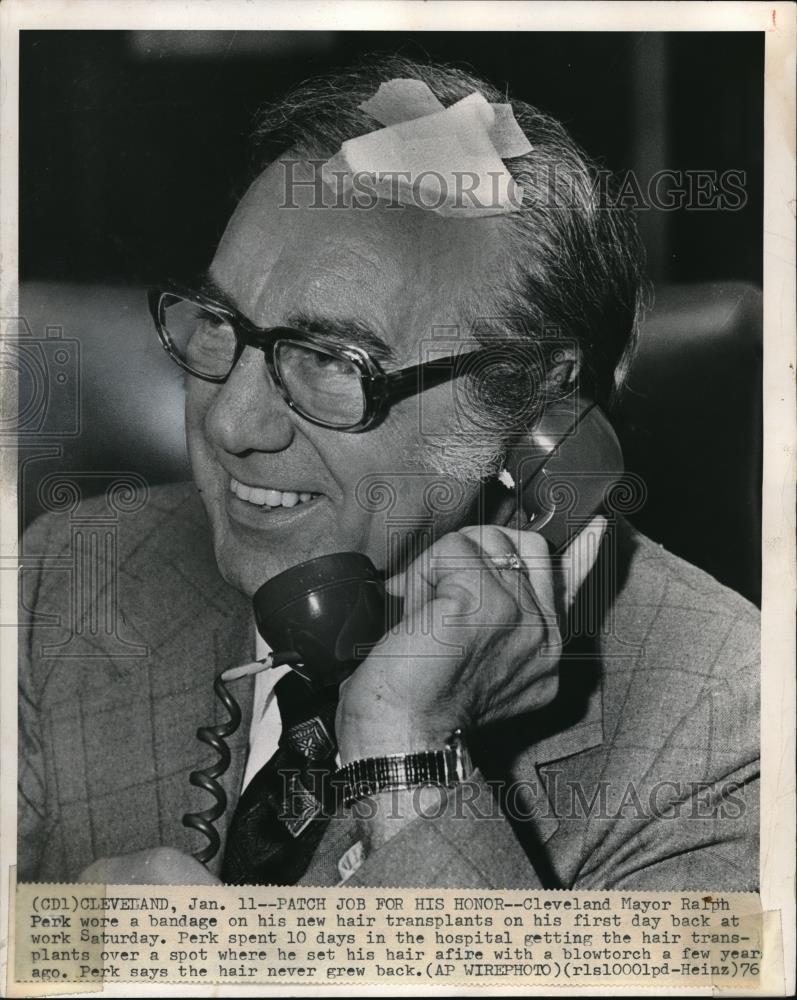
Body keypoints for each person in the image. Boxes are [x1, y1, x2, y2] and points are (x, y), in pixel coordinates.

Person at [18, 56, 759, 890]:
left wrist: (406, 758)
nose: (229, 424)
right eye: (221, 323)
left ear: (539, 412)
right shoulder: (65, 581)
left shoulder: (724, 727)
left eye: (333, 362)